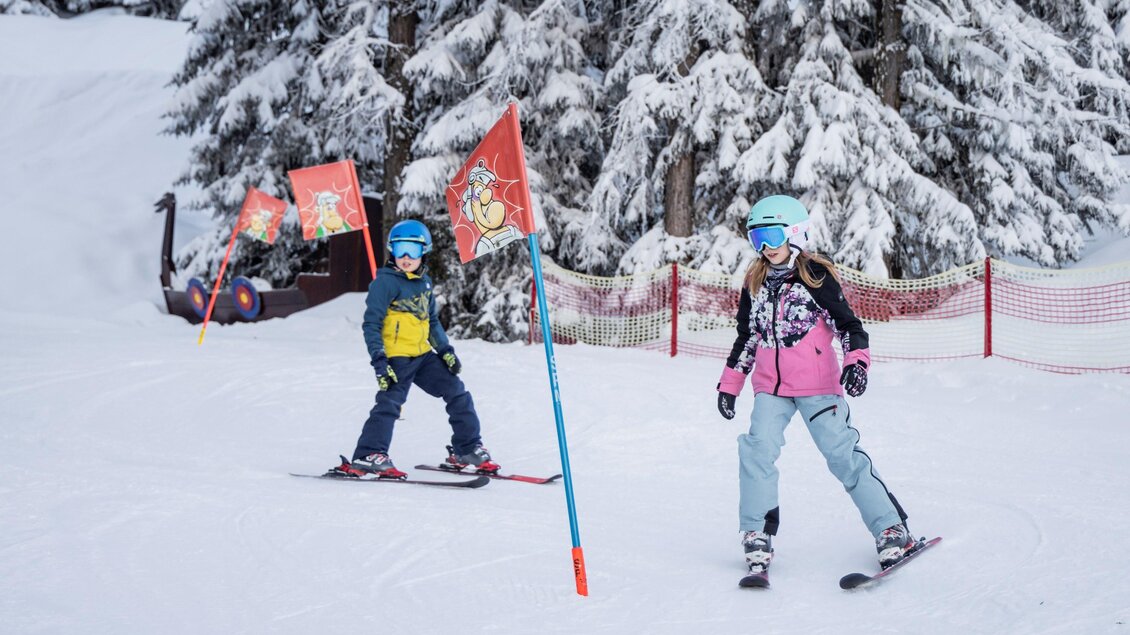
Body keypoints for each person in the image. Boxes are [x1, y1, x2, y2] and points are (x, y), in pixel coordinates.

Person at [716, 194, 915, 578]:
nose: (766, 248)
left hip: (818, 387)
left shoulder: (815, 277)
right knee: (757, 451)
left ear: (794, 233)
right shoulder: (754, 282)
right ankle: (757, 533)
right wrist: (730, 383)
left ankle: (891, 528)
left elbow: (849, 327)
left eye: (772, 237)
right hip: (771, 388)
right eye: (757, 239)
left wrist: (857, 364)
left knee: (843, 457)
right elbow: (747, 338)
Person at [332, 219, 500, 479]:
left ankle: (467, 448)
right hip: (396, 358)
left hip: (422, 356)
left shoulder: (425, 283)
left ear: (424, 251)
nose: (406, 257)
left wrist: (445, 350)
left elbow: (431, 321)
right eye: (400, 250)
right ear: (392, 251)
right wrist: (380, 361)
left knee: (457, 392)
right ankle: (368, 454)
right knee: (390, 404)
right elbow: (371, 324)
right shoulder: (385, 283)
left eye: (413, 249)